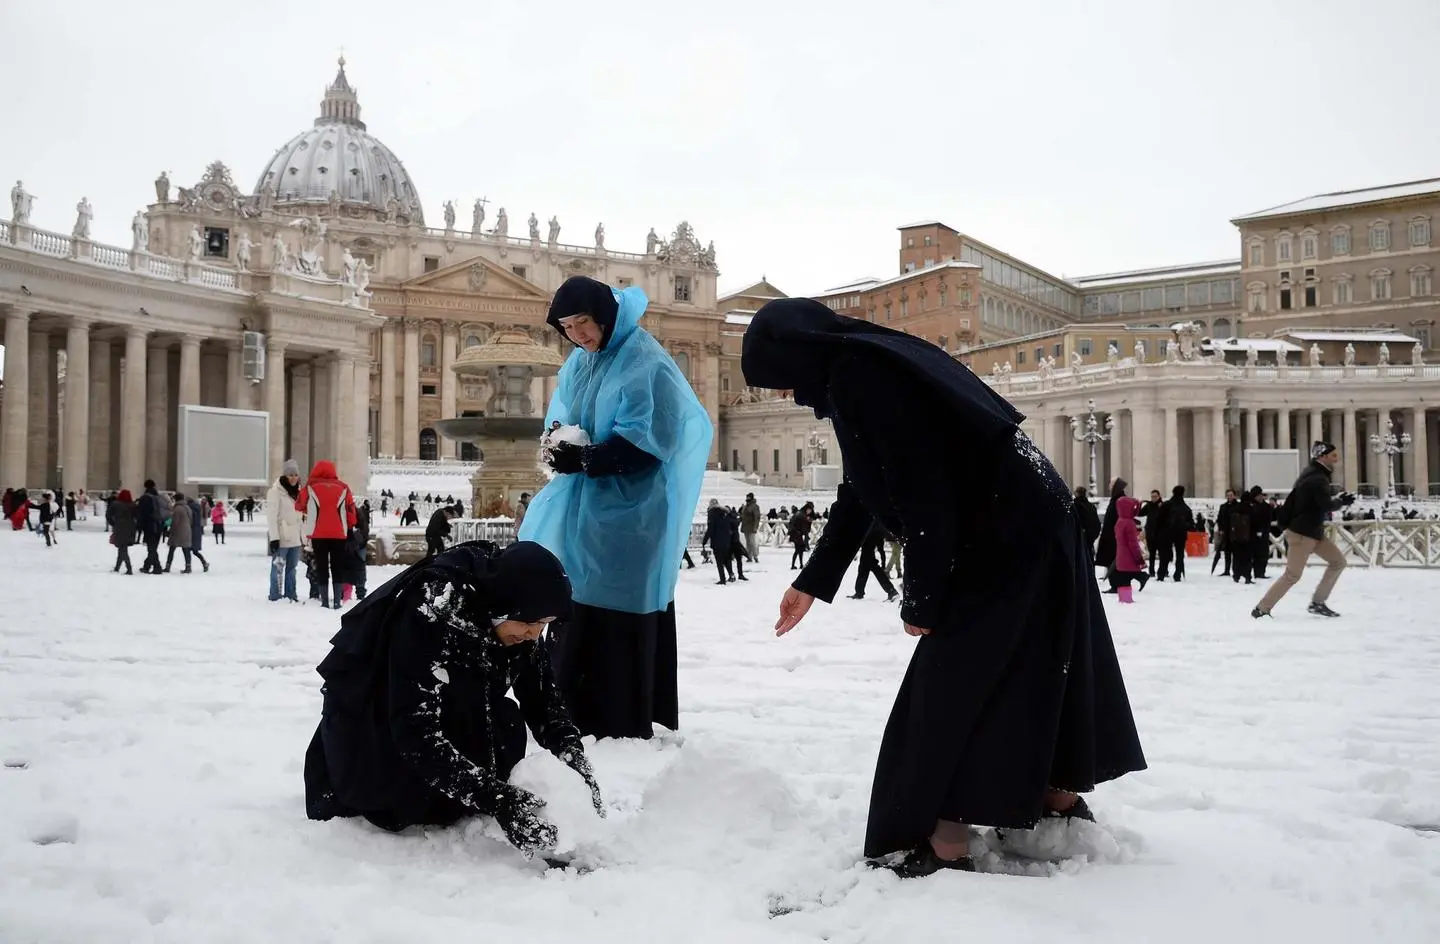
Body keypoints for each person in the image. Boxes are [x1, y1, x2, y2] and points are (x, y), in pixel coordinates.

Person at [742, 297, 1145, 877]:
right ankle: (1054, 796)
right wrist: (813, 579)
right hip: (1032, 518)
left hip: (1005, 532)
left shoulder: (860, 377)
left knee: (950, 690)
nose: (783, 395)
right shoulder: (869, 364)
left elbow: (922, 488)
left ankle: (944, 841)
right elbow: (864, 487)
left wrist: (925, 595)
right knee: (1035, 663)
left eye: (777, 380)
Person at [304, 541, 602, 860]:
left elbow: (543, 701)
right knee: (402, 793)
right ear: (503, 608)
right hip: (380, 715)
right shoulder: (435, 604)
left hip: (452, 703)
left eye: (542, 625)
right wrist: (498, 800)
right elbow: (415, 731)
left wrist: (574, 760)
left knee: (503, 726)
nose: (533, 634)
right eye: (529, 624)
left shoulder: (518, 612)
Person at [518, 276, 711, 740]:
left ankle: (621, 719)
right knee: (577, 601)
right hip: (589, 508)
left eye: (582, 323)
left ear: (604, 315)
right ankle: (572, 712)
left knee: (620, 607)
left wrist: (586, 458)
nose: (577, 335)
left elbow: (652, 441)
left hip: (633, 512)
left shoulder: (646, 363)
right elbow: (566, 414)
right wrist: (558, 441)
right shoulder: (583, 361)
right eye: (566, 327)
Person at [1252, 442, 1355, 619]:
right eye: (1333, 455)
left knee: (1338, 561)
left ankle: (1318, 602)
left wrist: (1336, 500)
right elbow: (1326, 504)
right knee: (1292, 575)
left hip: (1312, 532)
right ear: (1322, 456)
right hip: (1302, 534)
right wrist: (1341, 502)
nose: (1336, 459)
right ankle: (1262, 608)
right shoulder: (1317, 478)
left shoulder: (1313, 475)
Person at [295, 460, 359, 609]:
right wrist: (349, 526)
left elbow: (298, 505)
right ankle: (337, 601)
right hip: (339, 534)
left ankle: (324, 601)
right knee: (337, 566)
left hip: (318, 534)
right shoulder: (343, 487)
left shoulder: (310, 487)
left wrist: (310, 510)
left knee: (322, 566)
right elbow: (351, 511)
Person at [268, 460, 305, 602]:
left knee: (292, 569)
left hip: (295, 537)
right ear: (285, 476)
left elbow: (300, 516)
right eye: (290, 475)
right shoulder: (276, 492)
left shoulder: (298, 492)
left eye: (295, 475)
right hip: (282, 537)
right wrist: (274, 538)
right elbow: (272, 516)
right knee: (278, 568)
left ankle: (291, 594)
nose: (293, 478)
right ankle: (275, 595)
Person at [848, 519, 898, 601]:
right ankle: (859, 592)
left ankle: (891, 591)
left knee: (873, 567)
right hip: (875, 532)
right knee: (863, 568)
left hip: (870, 535)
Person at [1156, 485, 1193, 582]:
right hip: (1180, 534)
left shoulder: (1166, 505)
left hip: (1166, 533)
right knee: (1180, 555)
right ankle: (1178, 575)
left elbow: (1159, 519)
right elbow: (1191, 524)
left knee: (1164, 554)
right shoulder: (1185, 508)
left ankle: (1161, 574)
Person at [702, 498, 735, 584]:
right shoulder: (725, 512)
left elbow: (711, 529)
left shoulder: (712, 513)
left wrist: (704, 540)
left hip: (717, 540)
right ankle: (731, 575)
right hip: (727, 539)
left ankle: (722, 579)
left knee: (719, 561)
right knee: (726, 559)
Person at [1247, 486, 1275, 579]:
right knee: (1253, 555)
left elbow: (1268, 520)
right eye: (1257, 496)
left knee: (1263, 554)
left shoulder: (1266, 507)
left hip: (1264, 534)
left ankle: (1261, 572)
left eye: (1260, 495)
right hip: (1252, 535)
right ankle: (1252, 572)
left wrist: (1263, 530)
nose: (1259, 497)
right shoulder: (1250, 506)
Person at [137, 480, 165, 573]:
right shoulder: (159, 497)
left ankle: (157, 567)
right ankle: (147, 566)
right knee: (153, 547)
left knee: (151, 548)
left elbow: (142, 514)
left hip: (150, 525)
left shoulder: (145, 498)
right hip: (159, 524)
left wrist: (139, 527)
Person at [108, 489, 138, 575]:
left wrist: (113, 523)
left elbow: (108, 515)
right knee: (122, 548)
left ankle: (129, 568)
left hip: (119, 527)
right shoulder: (133, 505)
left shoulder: (115, 504)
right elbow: (137, 516)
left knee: (122, 548)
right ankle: (117, 567)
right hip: (130, 528)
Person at [1211, 489, 1239, 575]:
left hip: (1235, 533)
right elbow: (1219, 519)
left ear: (1234, 496)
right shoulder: (1223, 507)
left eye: (1231, 495)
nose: (1229, 497)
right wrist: (1221, 529)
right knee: (1227, 552)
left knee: (1235, 553)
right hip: (1225, 532)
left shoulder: (1238, 506)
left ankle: (1235, 570)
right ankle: (1226, 570)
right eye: (1228, 495)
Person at [165, 493, 195, 573]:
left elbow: (174, 521)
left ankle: (167, 567)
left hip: (178, 531)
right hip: (187, 530)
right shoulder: (187, 507)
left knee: (171, 550)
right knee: (186, 550)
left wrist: (169, 529)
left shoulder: (177, 508)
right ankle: (188, 567)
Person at [1073, 486, 1101, 556]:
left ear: (1077, 494)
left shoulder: (1075, 506)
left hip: (1081, 535)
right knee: (1089, 554)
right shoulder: (1091, 506)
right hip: (1091, 535)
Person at [740, 493, 762, 561]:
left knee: (752, 542)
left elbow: (757, 517)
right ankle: (749, 556)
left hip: (752, 526)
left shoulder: (755, 506)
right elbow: (743, 516)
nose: (747, 499)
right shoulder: (746, 506)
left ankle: (755, 556)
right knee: (748, 543)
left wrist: (755, 527)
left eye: (748, 498)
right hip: (745, 526)